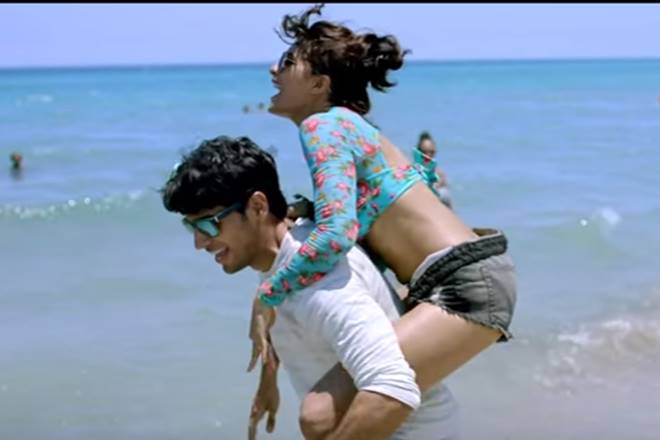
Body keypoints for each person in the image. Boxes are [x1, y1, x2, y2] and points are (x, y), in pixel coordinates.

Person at [249, 4, 517, 438]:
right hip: (463, 276)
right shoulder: (349, 125)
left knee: (320, 416)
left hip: (465, 284)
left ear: (319, 83)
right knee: (321, 415)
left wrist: (268, 294)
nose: (273, 70)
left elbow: (337, 234)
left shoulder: (323, 126)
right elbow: (363, 218)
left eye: (287, 61)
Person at [160, 136, 460, 440]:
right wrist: (268, 377)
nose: (198, 242)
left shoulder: (326, 287)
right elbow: (286, 311)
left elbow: (393, 387)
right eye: (191, 226)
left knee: (315, 418)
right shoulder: (287, 250)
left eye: (208, 225)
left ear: (258, 206)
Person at [414, 131, 453, 209]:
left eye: (431, 152)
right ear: (418, 152)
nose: (428, 155)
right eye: (424, 152)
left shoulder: (440, 174)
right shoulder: (413, 172)